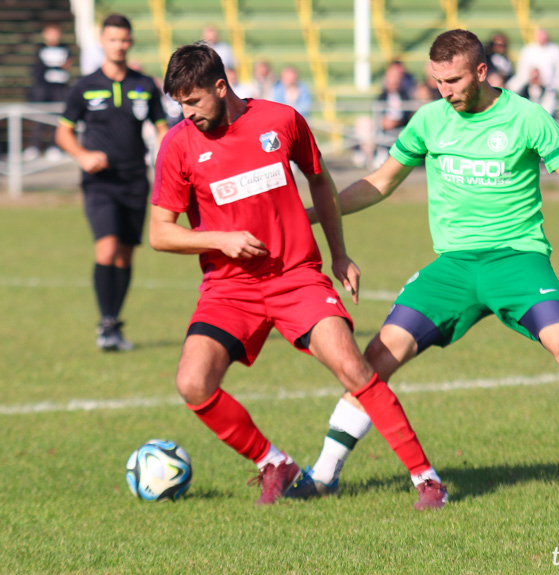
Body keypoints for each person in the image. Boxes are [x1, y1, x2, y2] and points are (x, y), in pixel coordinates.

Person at [290, 29, 559, 506]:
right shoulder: (429, 120)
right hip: (453, 267)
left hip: (517, 260)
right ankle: (325, 473)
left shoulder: (528, 118)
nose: (443, 91)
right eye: (436, 81)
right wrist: (312, 215)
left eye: (452, 80)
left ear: (482, 72)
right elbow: (379, 183)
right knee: (374, 360)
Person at [149, 42, 445, 510]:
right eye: (179, 103)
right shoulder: (178, 145)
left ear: (221, 87)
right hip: (230, 288)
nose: (187, 113)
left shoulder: (281, 120)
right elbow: (160, 233)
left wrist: (340, 254)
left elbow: (321, 182)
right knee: (193, 383)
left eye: (193, 101)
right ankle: (273, 463)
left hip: (295, 275)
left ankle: (427, 480)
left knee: (353, 367)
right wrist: (220, 241)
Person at [55, 14, 168, 351]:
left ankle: (114, 323)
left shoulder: (145, 85)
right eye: (113, 39)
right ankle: (106, 324)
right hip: (100, 182)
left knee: (125, 255)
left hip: (135, 180)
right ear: (102, 42)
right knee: (106, 246)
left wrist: (167, 157)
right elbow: (63, 132)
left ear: (130, 42)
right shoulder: (84, 86)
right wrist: (83, 155)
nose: (119, 45)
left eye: (124, 40)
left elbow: (162, 129)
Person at [25, 22, 72, 162]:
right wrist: (56, 67)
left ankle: (55, 146)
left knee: (57, 118)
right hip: (43, 90)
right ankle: (34, 146)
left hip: (59, 89)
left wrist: (55, 68)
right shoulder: (40, 49)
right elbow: (40, 70)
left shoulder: (65, 49)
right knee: (39, 118)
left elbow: (65, 66)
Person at [507, 28, 559, 116]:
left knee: (547, 112)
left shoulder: (555, 50)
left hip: (548, 88)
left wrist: (556, 85)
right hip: (529, 86)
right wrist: (531, 78)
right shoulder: (528, 49)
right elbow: (522, 69)